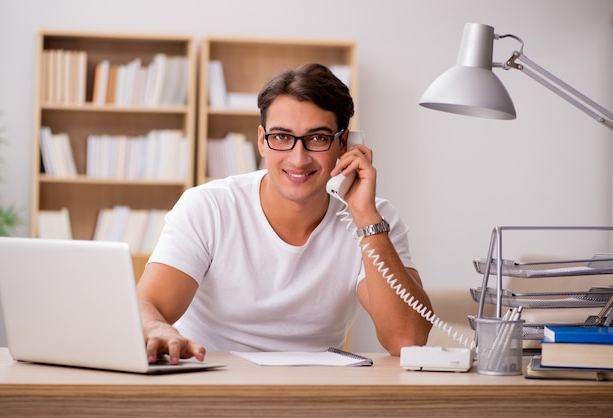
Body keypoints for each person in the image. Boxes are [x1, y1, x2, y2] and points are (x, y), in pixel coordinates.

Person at [137, 63, 433, 364]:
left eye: (317, 138)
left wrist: (365, 216)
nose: (298, 158)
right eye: (281, 137)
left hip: (312, 394)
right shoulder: (210, 207)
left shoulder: (374, 219)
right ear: (262, 141)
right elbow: (146, 304)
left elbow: (406, 339)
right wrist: (156, 327)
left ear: (344, 145)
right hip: (215, 385)